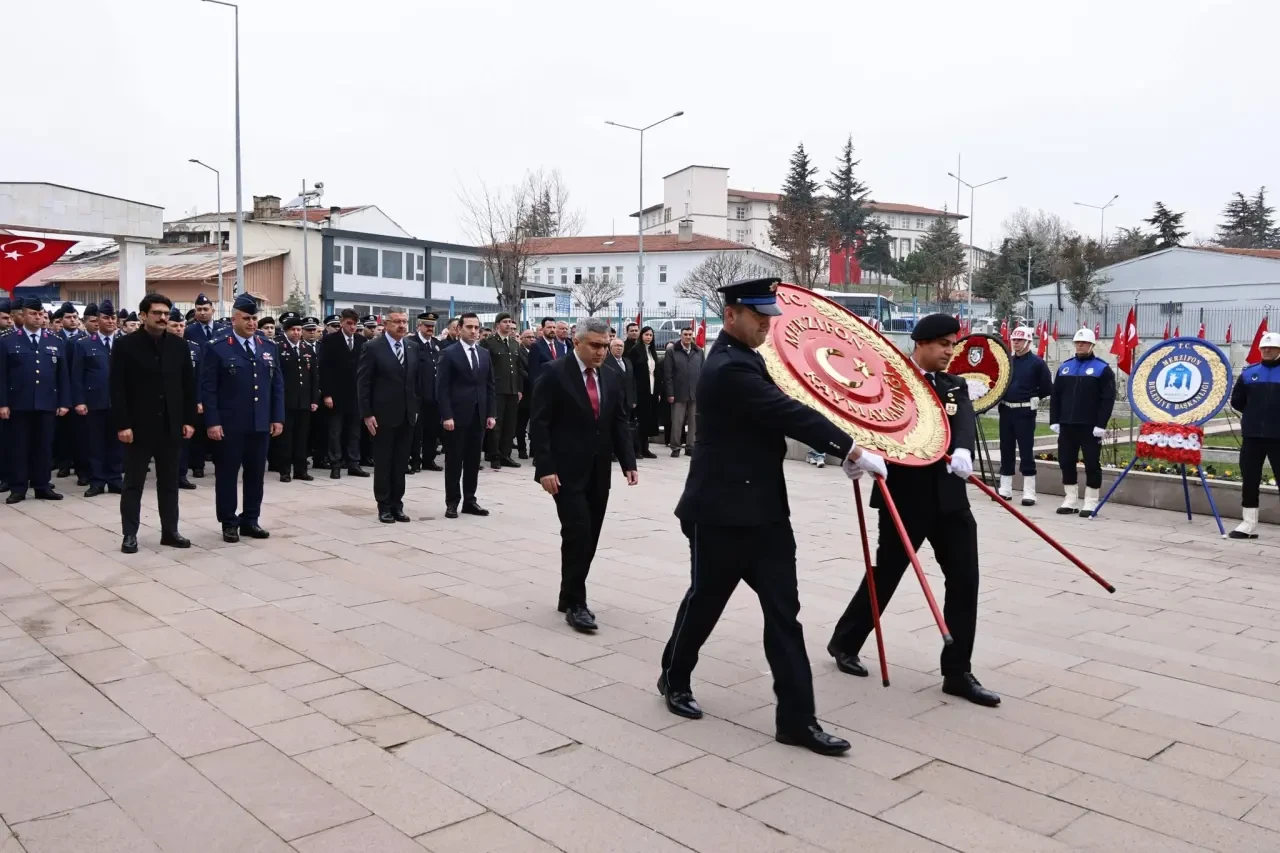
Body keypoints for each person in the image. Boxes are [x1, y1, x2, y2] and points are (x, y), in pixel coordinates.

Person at [658, 277, 886, 756]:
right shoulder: (725, 368)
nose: (767, 325)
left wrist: (846, 452)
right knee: (704, 603)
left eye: (769, 317)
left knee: (785, 614)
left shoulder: (749, 359)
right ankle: (674, 678)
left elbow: (789, 410)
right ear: (731, 316)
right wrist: (851, 448)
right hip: (719, 515)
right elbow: (787, 412)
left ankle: (797, 721)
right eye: (758, 317)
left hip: (764, 516)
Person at [828, 313, 1000, 708]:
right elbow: (865, 423)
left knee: (965, 580)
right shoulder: (889, 383)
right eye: (942, 344)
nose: (948, 352)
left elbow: (962, 422)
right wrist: (855, 455)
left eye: (952, 344)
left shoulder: (954, 385)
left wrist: (962, 449)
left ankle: (957, 672)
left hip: (951, 500)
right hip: (903, 497)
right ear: (920, 343)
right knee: (887, 573)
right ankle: (845, 640)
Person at [532, 318, 638, 632]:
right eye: (594, 345)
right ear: (577, 342)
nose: (601, 351)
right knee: (577, 531)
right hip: (564, 472)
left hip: (598, 469)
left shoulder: (610, 375)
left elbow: (618, 420)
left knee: (589, 535)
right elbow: (539, 424)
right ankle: (577, 604)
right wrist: (545, 468)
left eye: (605, 345)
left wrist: (628, 462)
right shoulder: (554, 373)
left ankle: (568, 592)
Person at [111, 293, 198, 553]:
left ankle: (170, 531)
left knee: (169, 483)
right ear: (143, 316)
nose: (162, 318)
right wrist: (122, 424)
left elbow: (187, 386)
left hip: (170, 426)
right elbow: (117, 388)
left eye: (165, 313)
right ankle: (129, 534)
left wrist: (189, 420)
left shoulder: (179, 345)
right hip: (138, 427)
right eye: (157, 313)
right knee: (133, 483)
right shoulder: (126, 345)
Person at [201, 293, 285, 543]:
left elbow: (277, 386)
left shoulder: (267, 346)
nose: (252, 323)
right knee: (227, 475)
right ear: (234, 319)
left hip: (259, 423)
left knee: (256, 474)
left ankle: (251, 519)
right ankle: (228, 521)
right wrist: (212, 422)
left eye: (254, 318)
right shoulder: (217, 347)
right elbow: (209, 389)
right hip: (230, 425)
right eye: (247, 318)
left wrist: (277, 417)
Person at [0, 296, 70, 504]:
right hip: (18, 402)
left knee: (44, 446)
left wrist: (64, 402)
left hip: (47, 402)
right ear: (22, 315)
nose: (38, 317)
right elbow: (2, 376)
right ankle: (18, 487)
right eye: (33, 313)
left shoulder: (54, 341)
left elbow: (62, 375)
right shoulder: (8, 341)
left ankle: (42, 485)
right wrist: (3, 403)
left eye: (40, 314)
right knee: (19, 446)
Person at [358, 309, 419, 523]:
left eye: (404, 321)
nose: (402, 325)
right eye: (397, 322)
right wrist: (367, 413)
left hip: (407, 415)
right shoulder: (373, 348)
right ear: (386, 323)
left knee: (401, 463)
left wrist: (415, 408)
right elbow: (364, 383)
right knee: (384, 462)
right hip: (382, 416)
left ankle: (397, 504)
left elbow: (415, 382)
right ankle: (383, 505)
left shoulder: (412, 347)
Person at [1049, 327, 1115, 518]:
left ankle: (1091, 501)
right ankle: (1070, 500)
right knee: (1066, 461)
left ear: (1092, 345)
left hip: (1090, 426)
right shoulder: (1065, 367)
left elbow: (1107, 399)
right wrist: (1055, 420)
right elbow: (1056, 396)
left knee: (1091, 463)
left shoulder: (1102, 369)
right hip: (1067, 425)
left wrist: (1101, 424)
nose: (1080, 345)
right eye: (1077, 343)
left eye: (1084, 343)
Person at [436, 312, 496, 518]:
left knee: (472, 461)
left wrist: (491, 413)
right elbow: (442, 388)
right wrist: (447, 415)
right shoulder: (449, 353)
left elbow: (489, 386)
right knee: (454, 461)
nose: (473, 331)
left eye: (476, 327)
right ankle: (452, 501)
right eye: (469, 327)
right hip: (456, 416)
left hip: (478, 416)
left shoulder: (484, 353)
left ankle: (470, 500)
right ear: (459, 329)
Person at [1229, 330, 1280, 539]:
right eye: (1263, 348)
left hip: (1278, 438)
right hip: (1252, 437)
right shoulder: (1249, 373)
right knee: (1250, 479)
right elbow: (1236, 401)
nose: (1266, 350)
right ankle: (1248, 524)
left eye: (1271, 347)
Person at [998, 326, 1054, 505]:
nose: (1016, 343)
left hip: (1024, 411)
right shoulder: (1008, 361)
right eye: (1014, 340)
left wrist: (1034, 396)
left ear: (1029, 342)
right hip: (1006, 410)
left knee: (1026, 450)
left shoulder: (1038, 363)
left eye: (1020, 340)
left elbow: (1047, 387)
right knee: (1005, 448)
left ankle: (1029, 491)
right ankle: (1005, 488)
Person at [72, 304, 123, 497]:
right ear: (97, 320)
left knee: (117, 443)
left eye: (113, 318)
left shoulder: (124, 342)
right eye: (105, 318)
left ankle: (115, 479)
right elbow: (77, 375)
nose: (110, 321)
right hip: (94, 401)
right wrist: (79, 400)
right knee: (95, 443)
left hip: (118, 402)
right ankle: (97, 481)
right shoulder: (84, 344)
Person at [318, 308, 370, 479]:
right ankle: (336, 464)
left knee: (355, 431)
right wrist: (327, 394)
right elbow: (324, 369)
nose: (352, 327)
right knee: (335, 431)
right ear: (342, 323)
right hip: (336, 394)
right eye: (349, 323)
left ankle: (354, 463)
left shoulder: (362, 341)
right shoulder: (330, 340)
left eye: (355, 324)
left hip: (355, 395)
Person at [275, 314, 320, 482]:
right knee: (286, 438)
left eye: (298, 329)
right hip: (287, 401)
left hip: (304, 401)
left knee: (302, 438)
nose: (296, 332)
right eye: (293, 329)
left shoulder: (307, 348)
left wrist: (314, 399)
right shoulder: (279, 347)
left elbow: (314, 376)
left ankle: (301, 470)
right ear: (286, 331)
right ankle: (285, 471)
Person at [482, 312, 526, 470]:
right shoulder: (488, 343)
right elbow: (486, 367)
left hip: (512, 389)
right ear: (497, 325)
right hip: (497, 389)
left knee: (510, 424)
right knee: (496, 424)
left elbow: (518, 367)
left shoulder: (515, 343)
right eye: (505, 322)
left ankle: (505, 454)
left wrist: (519, 389)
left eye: (510, 322)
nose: (508, 324)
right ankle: (494, 455)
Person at [409, 312, 443, 473]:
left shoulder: (436, 344)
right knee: (417, 431)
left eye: (432, 326)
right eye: (427, 325)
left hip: (435, 395)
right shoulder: (411, 343)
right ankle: (415, 460)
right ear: (419, 326)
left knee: (432, 430)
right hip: (418, 395)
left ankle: (428, 459)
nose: (430, 328)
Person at [663, 326, 704, 457]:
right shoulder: (672, 351)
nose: (687, 337)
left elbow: (703, 372)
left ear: (692, 336)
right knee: (677, 421)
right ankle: (675, 447)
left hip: (695, 392)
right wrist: (670, 393)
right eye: (685, 334)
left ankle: (690, 446)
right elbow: (667, 374)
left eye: (689, 334)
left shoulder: (699, 351)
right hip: (678, 392)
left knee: (694, 422)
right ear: (681, 335)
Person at [628, 326, 662, 460]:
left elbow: (656, 372)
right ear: (641, 336)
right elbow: (632, 373)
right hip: (640, 390)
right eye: (646, 335)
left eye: (651, 335)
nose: (648, 337)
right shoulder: (635, 351)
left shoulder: (652, 351)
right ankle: (637, 449)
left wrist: (658, 391)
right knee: (640, 421)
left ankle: (645, 448)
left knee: (649, 420)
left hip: (652, 389)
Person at [602, 337, 636, 459]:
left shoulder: (627, 362)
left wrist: (633, 399)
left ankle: (621, 451)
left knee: (624, 427)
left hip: (627, 401)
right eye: (616, 346)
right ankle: (611, 452)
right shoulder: (605, 362)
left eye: (621, 346)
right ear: (610, 348)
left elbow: (632, 382)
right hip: (614, 401)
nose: (619, 348)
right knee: (612, 427)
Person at [516, 328, 536, 459]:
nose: (531, 339)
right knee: (521, 424)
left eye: (533, 337)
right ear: (522, 339)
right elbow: (519, 369)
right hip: (525, 391)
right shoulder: (518, 352)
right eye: (528, 337)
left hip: (536, 392)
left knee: (535, 424)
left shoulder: (536, 351)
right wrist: (532, 378)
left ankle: (534, 450)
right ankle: (522, 449)